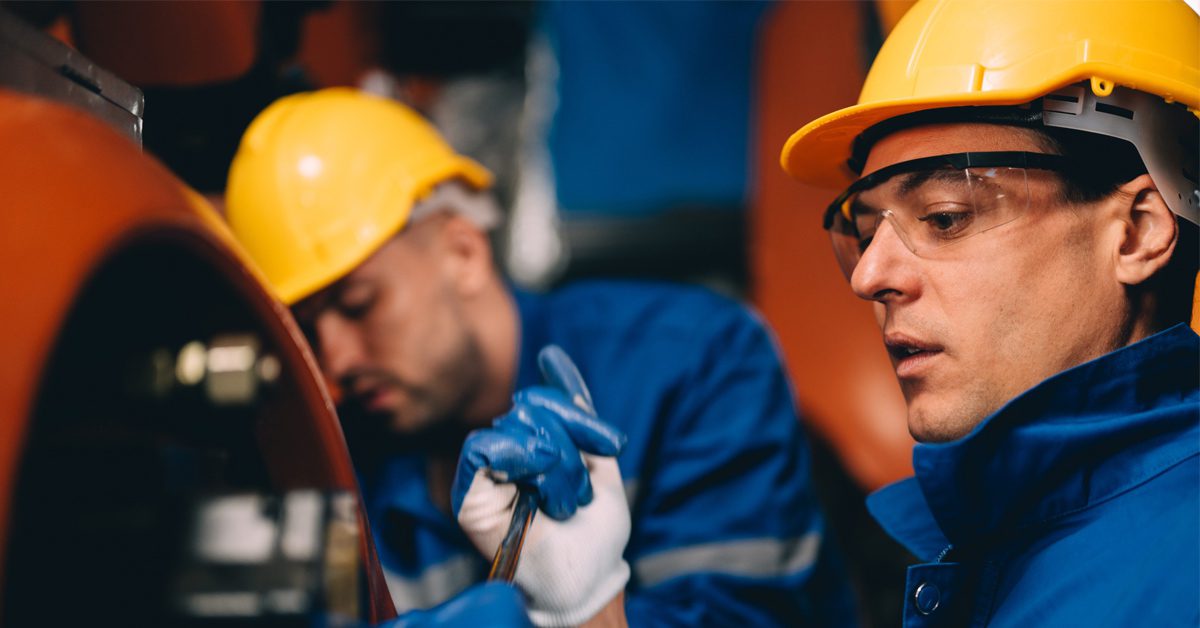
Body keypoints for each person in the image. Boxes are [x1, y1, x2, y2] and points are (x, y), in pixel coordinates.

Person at [224, 88, 855, 625]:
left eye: (359, 305)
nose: (334, 367)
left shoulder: (698, 361)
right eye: (307, 335)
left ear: (463, 252)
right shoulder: (333, 452)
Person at [777, 0, 1199, 625]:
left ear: (1137, 232)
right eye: (865, 233)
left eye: (946, 217)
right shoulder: (1007, 550)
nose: (870, 276)